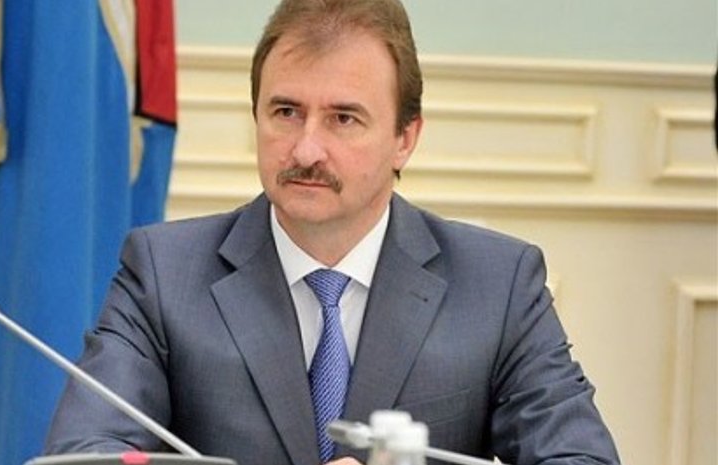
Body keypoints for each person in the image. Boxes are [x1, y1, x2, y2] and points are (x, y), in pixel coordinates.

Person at [46, 1, 621, 464]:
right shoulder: (163, 273)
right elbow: (85, 456)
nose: (306, 150)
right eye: (285, 112)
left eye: (343, 118)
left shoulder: (497, 286)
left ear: (405, 138)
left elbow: (581, 458)